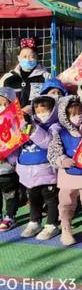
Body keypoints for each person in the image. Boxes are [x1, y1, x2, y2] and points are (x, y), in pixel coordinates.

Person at [47, 96, 82, 246]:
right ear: (66, 116)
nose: (78, 117)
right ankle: (66, 228)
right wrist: (62, 160)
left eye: (80, 113)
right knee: (66, 202)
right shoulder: (59, 132)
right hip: (68, 174)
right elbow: (53, 152)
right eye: (74, 114)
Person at [16, 95, 59, 240]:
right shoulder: (27, 124)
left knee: (51, 199)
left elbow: (48, 143)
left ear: (52, 110)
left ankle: (51, 225)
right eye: (37, 109)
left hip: (46, 170)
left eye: (44, 109)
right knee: (33, 198)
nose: (41, 112)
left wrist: (33, 129)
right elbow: (17, 146)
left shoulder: (54, 126)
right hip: (28, 172)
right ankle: (34, 221)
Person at [0, 37, 50, 111]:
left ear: (37, 58)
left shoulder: (46, 77)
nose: (28, 59)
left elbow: (50, 100)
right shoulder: (7, 78)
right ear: (18, 58)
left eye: (32, 56)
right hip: (12, 119)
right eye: (24, 56)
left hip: (38, 119)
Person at [0, 87, 21, 231]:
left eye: (4, 103)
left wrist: (10, 159)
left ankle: (10, 216)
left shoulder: (15, 120)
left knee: (10, 193)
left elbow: (18, 141)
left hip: (8, 166)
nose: (2, 106)